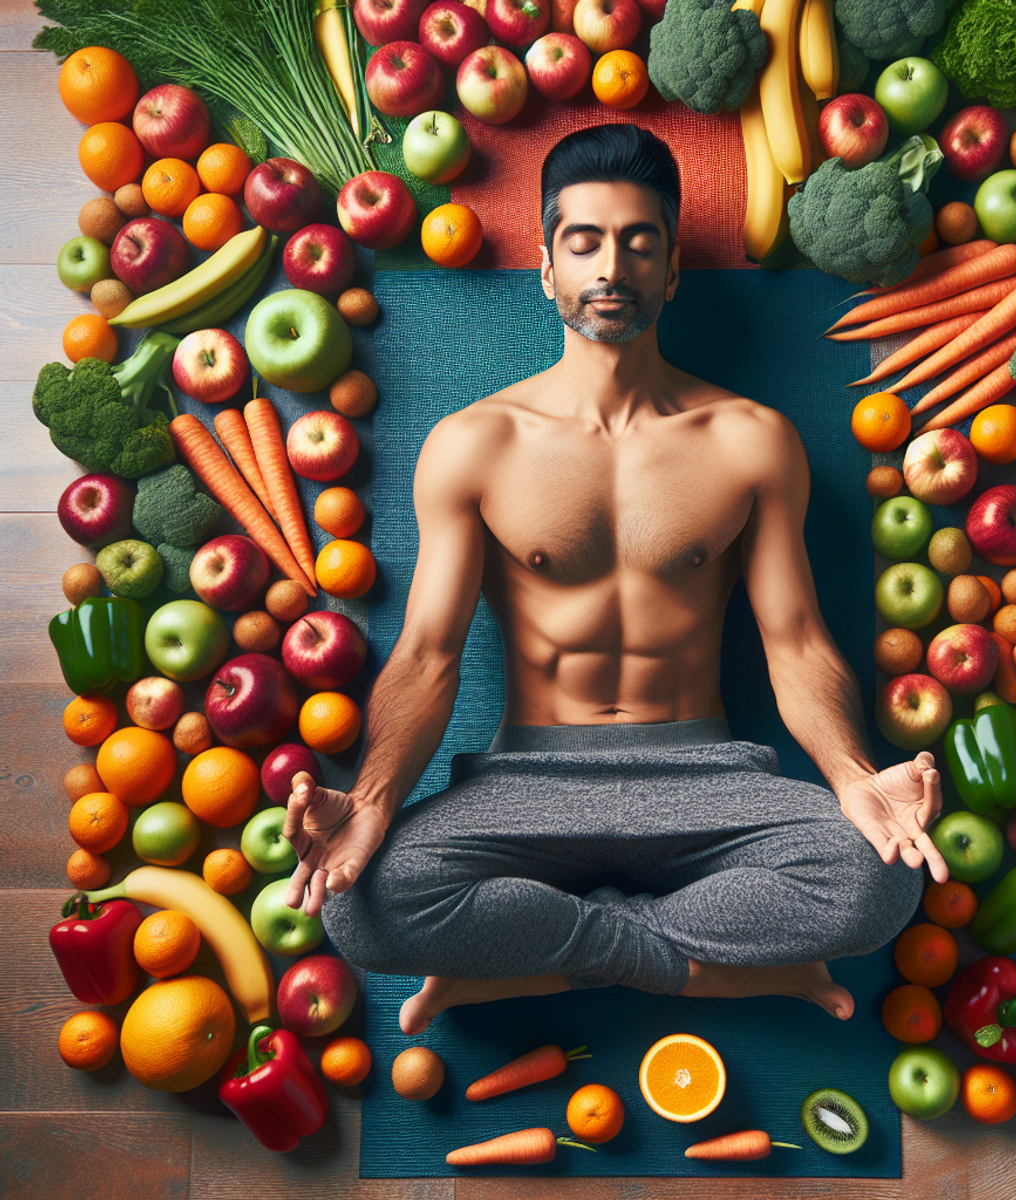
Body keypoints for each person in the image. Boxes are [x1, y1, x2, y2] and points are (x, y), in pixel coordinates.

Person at [283, 123, 946, 1038]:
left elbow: (796, 643)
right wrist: (369, 800)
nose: (612, 264)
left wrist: (852, 774)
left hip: (709, 776)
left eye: (640, 241)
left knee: (878, 882)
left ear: (671, 270)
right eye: (583, 240)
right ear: (548, 269)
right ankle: (717, 971)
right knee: (363, 907)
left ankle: (516, 971)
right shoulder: (474, 443)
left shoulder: (751, 439)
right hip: (526, 780)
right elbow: (428, 654)